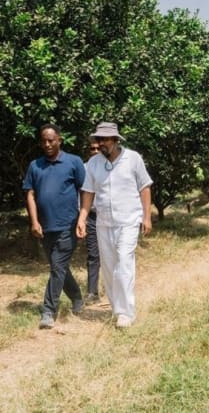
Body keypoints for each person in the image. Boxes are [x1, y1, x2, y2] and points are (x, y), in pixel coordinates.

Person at [76, 122, 153, 329]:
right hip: (103, 222)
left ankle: (126, 312)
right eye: (99, 139)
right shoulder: (93, 164)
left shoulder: (133, 159)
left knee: (124, 263)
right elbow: (88, 192)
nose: (101, 143)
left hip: (128, 220)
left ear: (116, 140)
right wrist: (82, 218)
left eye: (105, 139)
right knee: (109, 268)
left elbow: (145, 187)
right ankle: (116, 308)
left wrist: (147, 217)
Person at [23, 124, 87, 330]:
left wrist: (82, 219)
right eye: (44, 141)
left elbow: (86, 191)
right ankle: (77, 297)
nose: (47, 144)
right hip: (45, 227)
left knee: (57, 267)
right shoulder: (35, 166)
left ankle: (48, 311)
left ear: (60, 140)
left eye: (51, 140)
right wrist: (34, 221)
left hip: (68, 225)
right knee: (59, 268)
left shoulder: (74, 162)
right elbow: (30, 194)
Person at [83, 138, 101, 303]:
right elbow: (81, 193)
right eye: (92, 149)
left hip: (110, 217)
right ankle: (92, 292)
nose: (95, 151)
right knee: (93, 254)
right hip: (91, 217)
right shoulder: (84, 169)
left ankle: (116, 290)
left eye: (98, 148)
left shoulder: (111, 166)